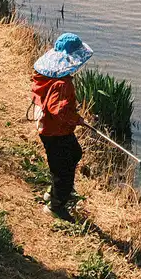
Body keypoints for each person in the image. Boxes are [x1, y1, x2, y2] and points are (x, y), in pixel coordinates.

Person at [30, 32, 91, 219]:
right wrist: (76, 119)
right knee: (63, 170)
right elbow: (60, 112)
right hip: (55, 132)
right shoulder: (62, 84)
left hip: (51, 128)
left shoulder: (45, 77)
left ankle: (55, 191)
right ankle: (56, 206)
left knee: (74, 153)